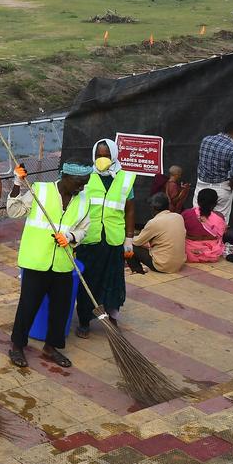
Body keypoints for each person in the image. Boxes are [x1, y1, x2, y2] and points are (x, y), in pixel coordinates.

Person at [6, 163, 93, 369]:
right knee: (28, 305)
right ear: (65, 177)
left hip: (63, 263)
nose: (80, 188)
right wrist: (18, 183)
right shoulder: (40, 190)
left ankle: (51, 346)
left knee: (61, 308)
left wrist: (71, 237)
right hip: (36, 261)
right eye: (79, 184)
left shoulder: (83, 200)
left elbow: (84, 229)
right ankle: (17, 345)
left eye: (84, 185)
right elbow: (14, 210)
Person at [74, 139, 137, 340]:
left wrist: (129, 238)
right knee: (88, 281)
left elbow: (130, 210)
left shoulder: (125, 178)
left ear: (114, 156)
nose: (102, 159)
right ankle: (85, 320)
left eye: (106, 155)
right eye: (99, 155)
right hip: (89, 239)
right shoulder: (87, 177)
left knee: (113, 279)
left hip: (113, 239)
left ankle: (112, 316)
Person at [194, 119, 233, 222]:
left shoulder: (206, 140)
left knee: (198, 219)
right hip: (221, 189)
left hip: (201, 187)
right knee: (219, 223)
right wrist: (232, 181)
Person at [128, 192, 187, 274]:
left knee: (128, 246)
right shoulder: (178, 217)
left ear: (153, 208)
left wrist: (127, 238)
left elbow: (137, 242)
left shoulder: (154, 222)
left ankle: (136, 269)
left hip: (162, 266)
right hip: (179, 264)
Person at [183, 188, 228, 263]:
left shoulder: (187, 214)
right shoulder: (220, 217)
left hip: (189, 252)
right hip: (212, 253)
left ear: (198, 201)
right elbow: (221, 235)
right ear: (216, 203)